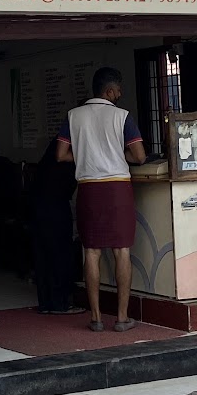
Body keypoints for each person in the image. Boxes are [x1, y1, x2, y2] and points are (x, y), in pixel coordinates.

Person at [57, 67, 146, 332]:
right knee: (122, 251)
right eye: (118, 90)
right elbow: (140, 156)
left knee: (91, 252)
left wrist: (87, 155)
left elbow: (61, 155)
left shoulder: (73, 116)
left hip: (88, 189)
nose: (119, 94)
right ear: (109, 91)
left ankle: (95, 317)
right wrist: (118, 155)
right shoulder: (122, 116)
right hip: (117, 189)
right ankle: (121, 318)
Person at [30, 137, 83, 315]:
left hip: (38, 203)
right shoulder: (71, 147)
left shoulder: (51, 152)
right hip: (56, 204)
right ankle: (60, 303)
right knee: (60, 253)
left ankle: (46, 303)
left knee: (43, 254)